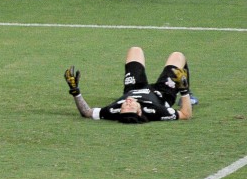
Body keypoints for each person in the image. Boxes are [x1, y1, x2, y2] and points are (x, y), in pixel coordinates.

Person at [62, 46, 194, 123]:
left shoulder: (114, 111)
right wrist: (184, 90)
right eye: (130, 107)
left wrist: (75, 91)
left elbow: (87, 112)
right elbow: (186, 115)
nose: (127, 103)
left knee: (135, 50)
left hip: (134, 88)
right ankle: (188, 95)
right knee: (178, 56)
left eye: (124, 107)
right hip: (162, 93)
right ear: (139, 110)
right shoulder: (156, 112)